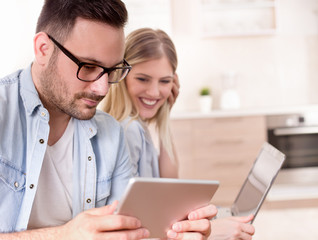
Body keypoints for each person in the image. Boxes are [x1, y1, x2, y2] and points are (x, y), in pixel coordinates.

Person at [0, 1, 216, 239]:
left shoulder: (111, 134)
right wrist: (64, 235)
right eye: (89, 66)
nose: (102, 88)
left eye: (112, 70)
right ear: (43, 49)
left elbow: (128, 232)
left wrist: (179, 233)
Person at [101, 27, 255, 240]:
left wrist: (166, 113)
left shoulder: (135, 125)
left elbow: (168, 185)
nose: (155, 92)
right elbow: (137, 225)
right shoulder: (129, 130)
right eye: (143, 79)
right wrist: (213, 232)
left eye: (164, 81)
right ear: (122, 75)